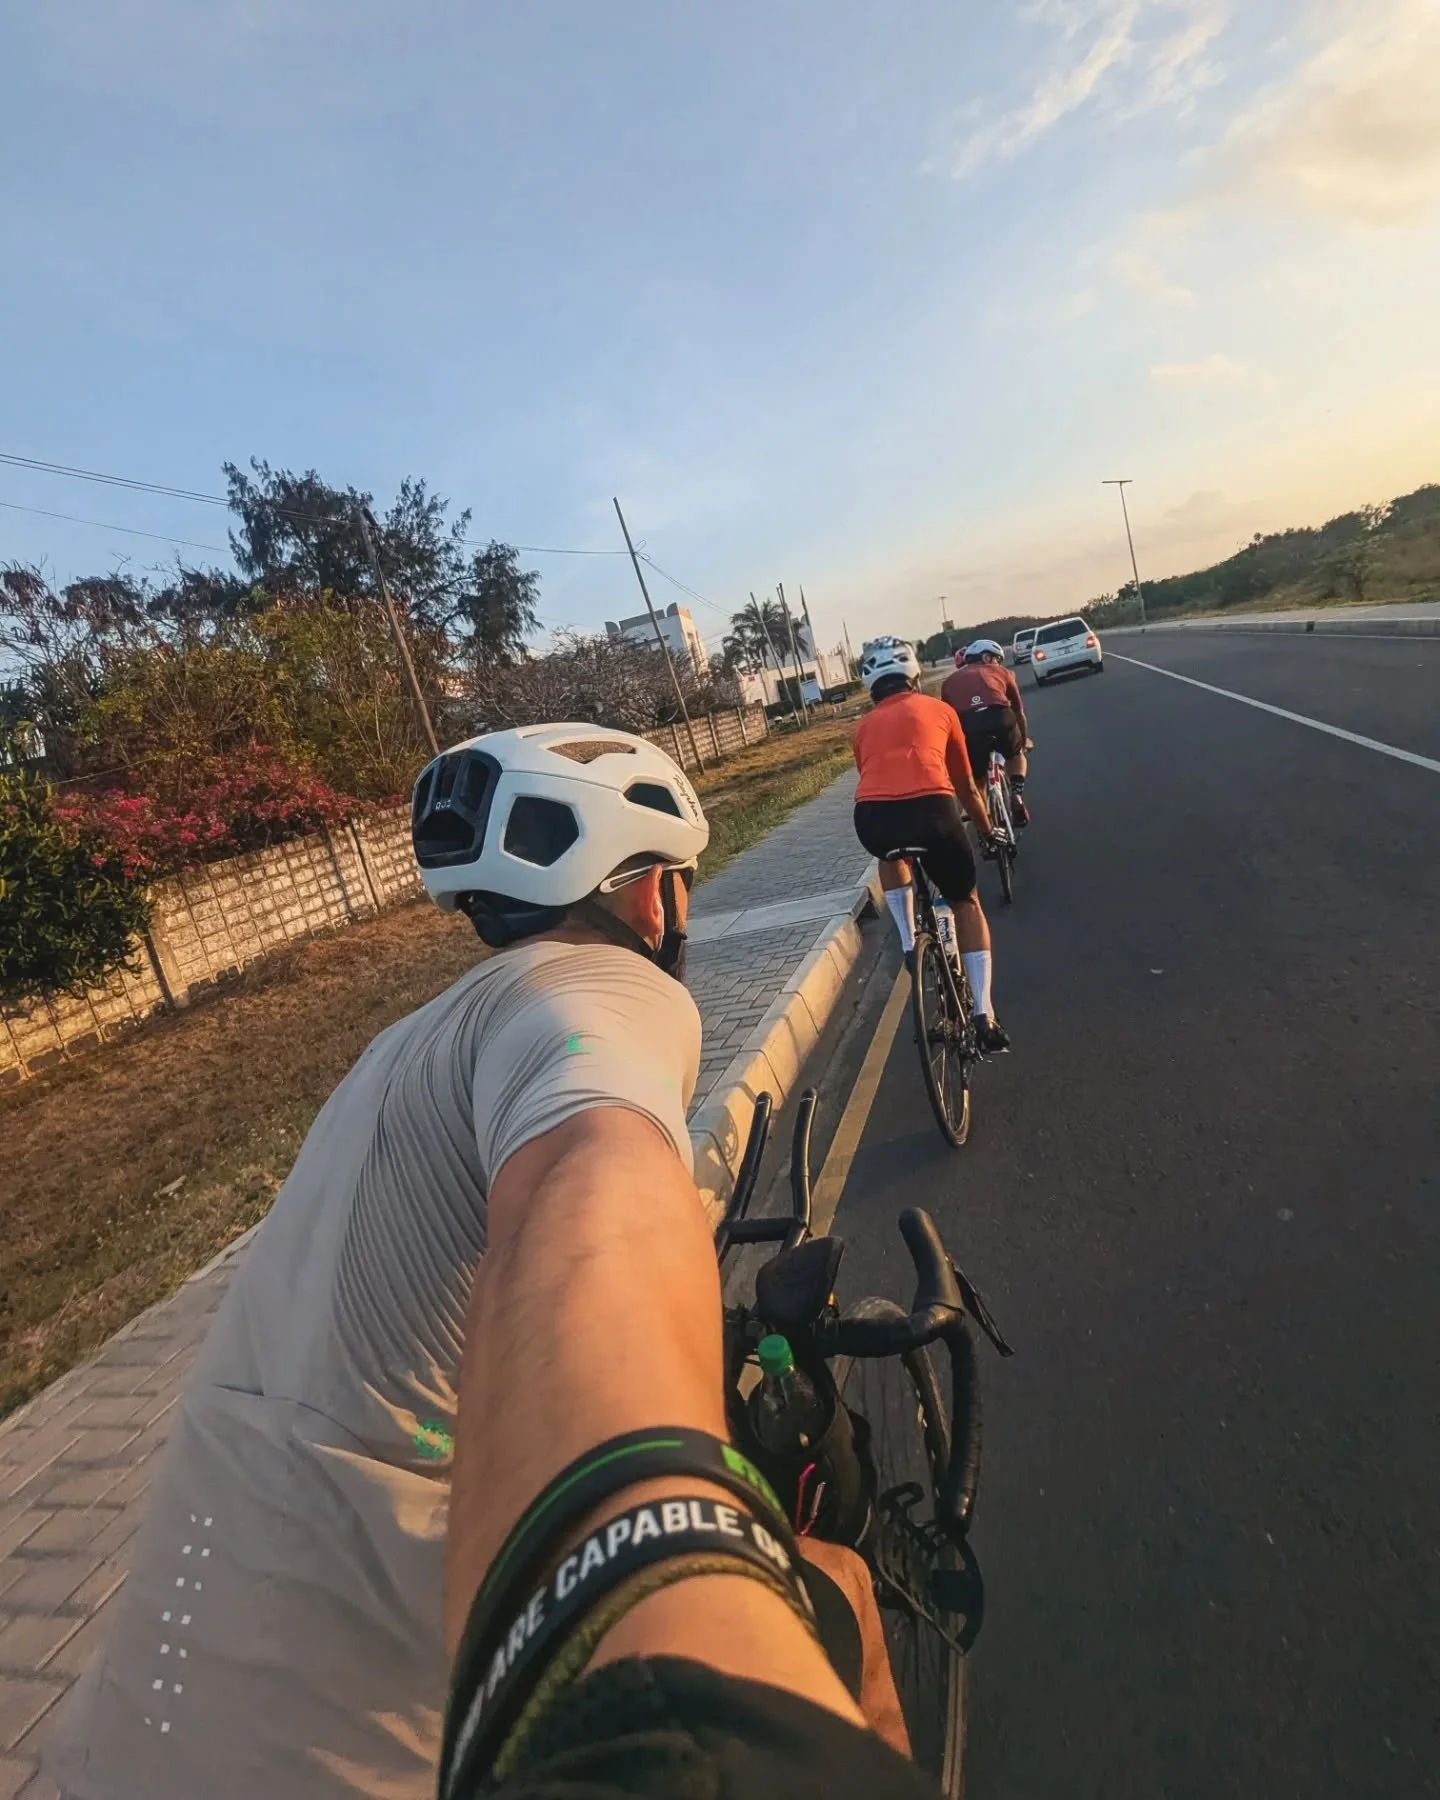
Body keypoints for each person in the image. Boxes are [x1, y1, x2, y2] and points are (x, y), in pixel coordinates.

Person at [46, 723, 899, 1800]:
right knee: (846, 1597)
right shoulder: (601, 998)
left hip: (122, 1745)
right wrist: (660, 1571)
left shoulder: (397, 1053)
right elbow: (578, 1189)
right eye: (678, 880)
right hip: (375, 1760)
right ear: (652, 897)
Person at [850, 639, 1010, 1054]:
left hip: (873, 819)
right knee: (965, 902)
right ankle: (984, 1014)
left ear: (871, 688)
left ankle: (908, 942)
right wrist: (987, 828)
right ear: (915, 676)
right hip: (935, 815)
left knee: (888, 854)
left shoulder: (862, 727)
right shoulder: (942, 712)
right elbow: (965, 788)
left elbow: (874, 782)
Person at [941, 639, 1032, 826]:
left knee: (976, 778)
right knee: (1015, 755)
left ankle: (985, 823)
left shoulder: (949, 682)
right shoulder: (1003, 672)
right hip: (1000, 717)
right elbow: (1019, 712)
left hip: (968, 725)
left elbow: (949, 720)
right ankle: (1016, 794)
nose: (998, 664)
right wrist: (1022, 741)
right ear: (987, 657)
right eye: (997, 659)